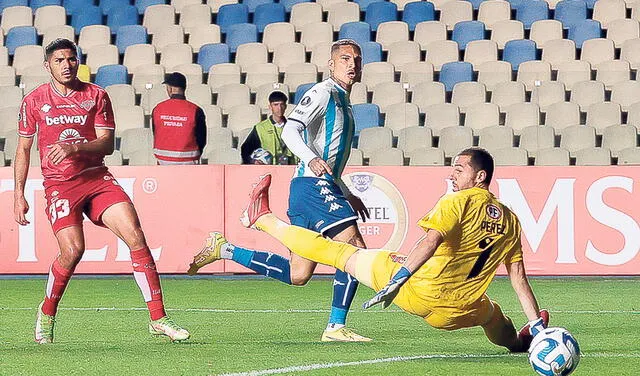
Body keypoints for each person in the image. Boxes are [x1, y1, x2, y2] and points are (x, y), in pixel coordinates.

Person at [196, 147, 550, 352]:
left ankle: (263, 220)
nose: (452, 173)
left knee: (339, 253)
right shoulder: (512, 220)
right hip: (455, 314)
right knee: (493, 315)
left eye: (459, 169)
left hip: (415, 291)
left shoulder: (455, 202)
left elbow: (429, 241)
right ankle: (525, 343)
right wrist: (539, 325)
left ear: (480, 177)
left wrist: (399, 277)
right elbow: (518, 278)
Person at [189, 39, 372, 342]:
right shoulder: (323, 92)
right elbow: (291, 129)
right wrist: (310, 158)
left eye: (356, 59)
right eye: (344, 59)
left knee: (299, 273)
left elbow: (328, 158)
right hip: (314, 188)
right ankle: (336, 326)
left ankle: (225, 249)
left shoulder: (344, 100)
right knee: (355, 249)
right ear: (331, 64)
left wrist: (346, 191)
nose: (351, 64)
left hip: (313, 188)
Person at [13, 38, 189, 344]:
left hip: (96, 179)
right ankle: (48, 310)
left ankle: (159, 318)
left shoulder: (96, 95)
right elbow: (23, 149)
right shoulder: (33, 101)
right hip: (60, 186)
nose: (66, 65)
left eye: (71, 59)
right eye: (59, 61)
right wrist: (19, 195)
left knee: (135, 234)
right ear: (47, 65)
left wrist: (74, 147)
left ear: (78, 61)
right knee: (73, 250)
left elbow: (107, 143)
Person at [152, 72, 206, 165]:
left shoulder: (157, 109)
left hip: (163, 161)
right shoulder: (196, 110)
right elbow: (201, 138)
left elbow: (155, 132)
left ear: (170, 88)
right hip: (188, 161)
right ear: (184, 88)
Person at [240, 90, 296, 165]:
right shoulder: (260, 128)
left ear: (285, 106)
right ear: (270, 107)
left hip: (291, 169)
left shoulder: (293, 127)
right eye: (275, 105)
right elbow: (246, 150)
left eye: (281, 104)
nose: (279, 108)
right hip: (268, 170)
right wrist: (253, 161)